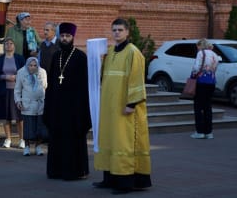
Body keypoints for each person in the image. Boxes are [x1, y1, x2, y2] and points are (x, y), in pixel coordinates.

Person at [93, 18, 152, 195]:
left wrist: (131, 104)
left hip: (125, 108)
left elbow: (136, 79)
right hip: (109, 107)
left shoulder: (133, 52)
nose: (116, 33)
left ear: (127, 32)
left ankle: (125, 183)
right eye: (114, 30)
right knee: (109, 140)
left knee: (123, 144)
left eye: (120, 30)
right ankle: (109, 178)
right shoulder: (110, 52)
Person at [43, 22, 91, 181]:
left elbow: (85, 85)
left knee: (72, 140)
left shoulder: (80, 56)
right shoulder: (56, 55)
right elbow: (51, 80)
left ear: (73, 37)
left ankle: (75, 171)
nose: (64, 39)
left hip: (73, 108)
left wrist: (82, 109)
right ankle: (56, 170)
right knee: (57, 139)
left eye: (67, 36)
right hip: (57, 107)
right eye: (62, 36)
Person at [0, 37, 26, 148]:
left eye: (11, 43)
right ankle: (8, 139)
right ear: (4, 46)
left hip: (18, 92)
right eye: (7, 43)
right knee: (6, 116)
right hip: (4, 91)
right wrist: (5, 76)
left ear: (14, 46)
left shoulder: (20, 58)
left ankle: (22, 139)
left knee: (20, 117)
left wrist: (17, 77)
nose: (9, 45)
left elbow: (26, 73)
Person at [14, 57, 48, 156]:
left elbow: (45, 86)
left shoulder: (42, 72)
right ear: (27, 65)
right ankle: (27, 147)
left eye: (35, 65)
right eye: (30, 65)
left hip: (40, 104)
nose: (32, 67)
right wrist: (18, 101)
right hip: (27, 103)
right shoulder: (21, 72)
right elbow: (17, 89)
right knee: (28, 127)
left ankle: (38, 146)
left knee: (39, 127)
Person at [190, 38, 219, 139]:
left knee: (198, 107)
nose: (197, 49)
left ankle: (200, 131)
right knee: (208, 107)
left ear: (201, 46)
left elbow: (196, 67)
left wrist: (193, 75)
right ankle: (209, 132)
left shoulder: (201, 53)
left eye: (198, 47)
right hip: (211, 82)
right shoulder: (214, 55)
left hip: (201, 82)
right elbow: (215, 68)